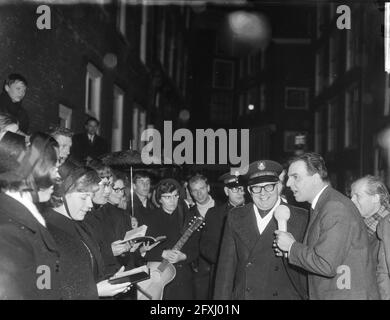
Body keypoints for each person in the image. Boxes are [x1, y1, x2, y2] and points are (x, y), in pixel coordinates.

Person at [275, 152, 379, 299]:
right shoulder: (323, 205)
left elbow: (326, 264)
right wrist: (290, 250)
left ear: (316, 178)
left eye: (295, 177)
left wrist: (292, 247)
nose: (288, 183)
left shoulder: (334, 207)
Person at [214, 160, 308, 300]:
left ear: (279, 187)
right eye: (256, 188)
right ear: (249, 191)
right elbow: (225, 271)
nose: (263, 194)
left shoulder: (301, 217)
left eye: (269, 186)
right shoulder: (236, 216)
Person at [43, 162, 131, 299]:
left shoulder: (81, 225)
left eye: (91, 197)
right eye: (84, 197)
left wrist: (111, 280)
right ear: (62, 194)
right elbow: (44, 291)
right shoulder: (44, 232)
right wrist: (95, 290)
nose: (90, 205)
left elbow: (88, 272)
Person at [0, 132, 61, 299]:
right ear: (34, 173)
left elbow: (44, 283)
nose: (58, 176)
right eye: (54, 168)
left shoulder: (25, 218)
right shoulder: (8, 230)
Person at [140, 178, 199, 300]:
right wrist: (163, 253)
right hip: (160, 278)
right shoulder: (149, 219)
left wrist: (184, 256)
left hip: (184, 279)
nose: (172, 200)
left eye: (175, 196)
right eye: (167, 197)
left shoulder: (188, 217)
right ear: (159, 199)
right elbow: (141, 250)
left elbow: (197, 247)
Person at [199, 171, 245, 298]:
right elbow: (206, 245)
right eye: (235, 189)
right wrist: (223, 260)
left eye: (242, 189)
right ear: (226, 191)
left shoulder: (253, 211)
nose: (240, 193)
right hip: (222, 272)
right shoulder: (214, 214)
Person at [188, 173, 219, 299]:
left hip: (220, 268)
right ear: (190, 193)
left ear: (208, 188)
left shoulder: (224, 208)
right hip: (198, 272)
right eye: (195, 191)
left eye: (202, 188)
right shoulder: (188, 214)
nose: (199, 193)